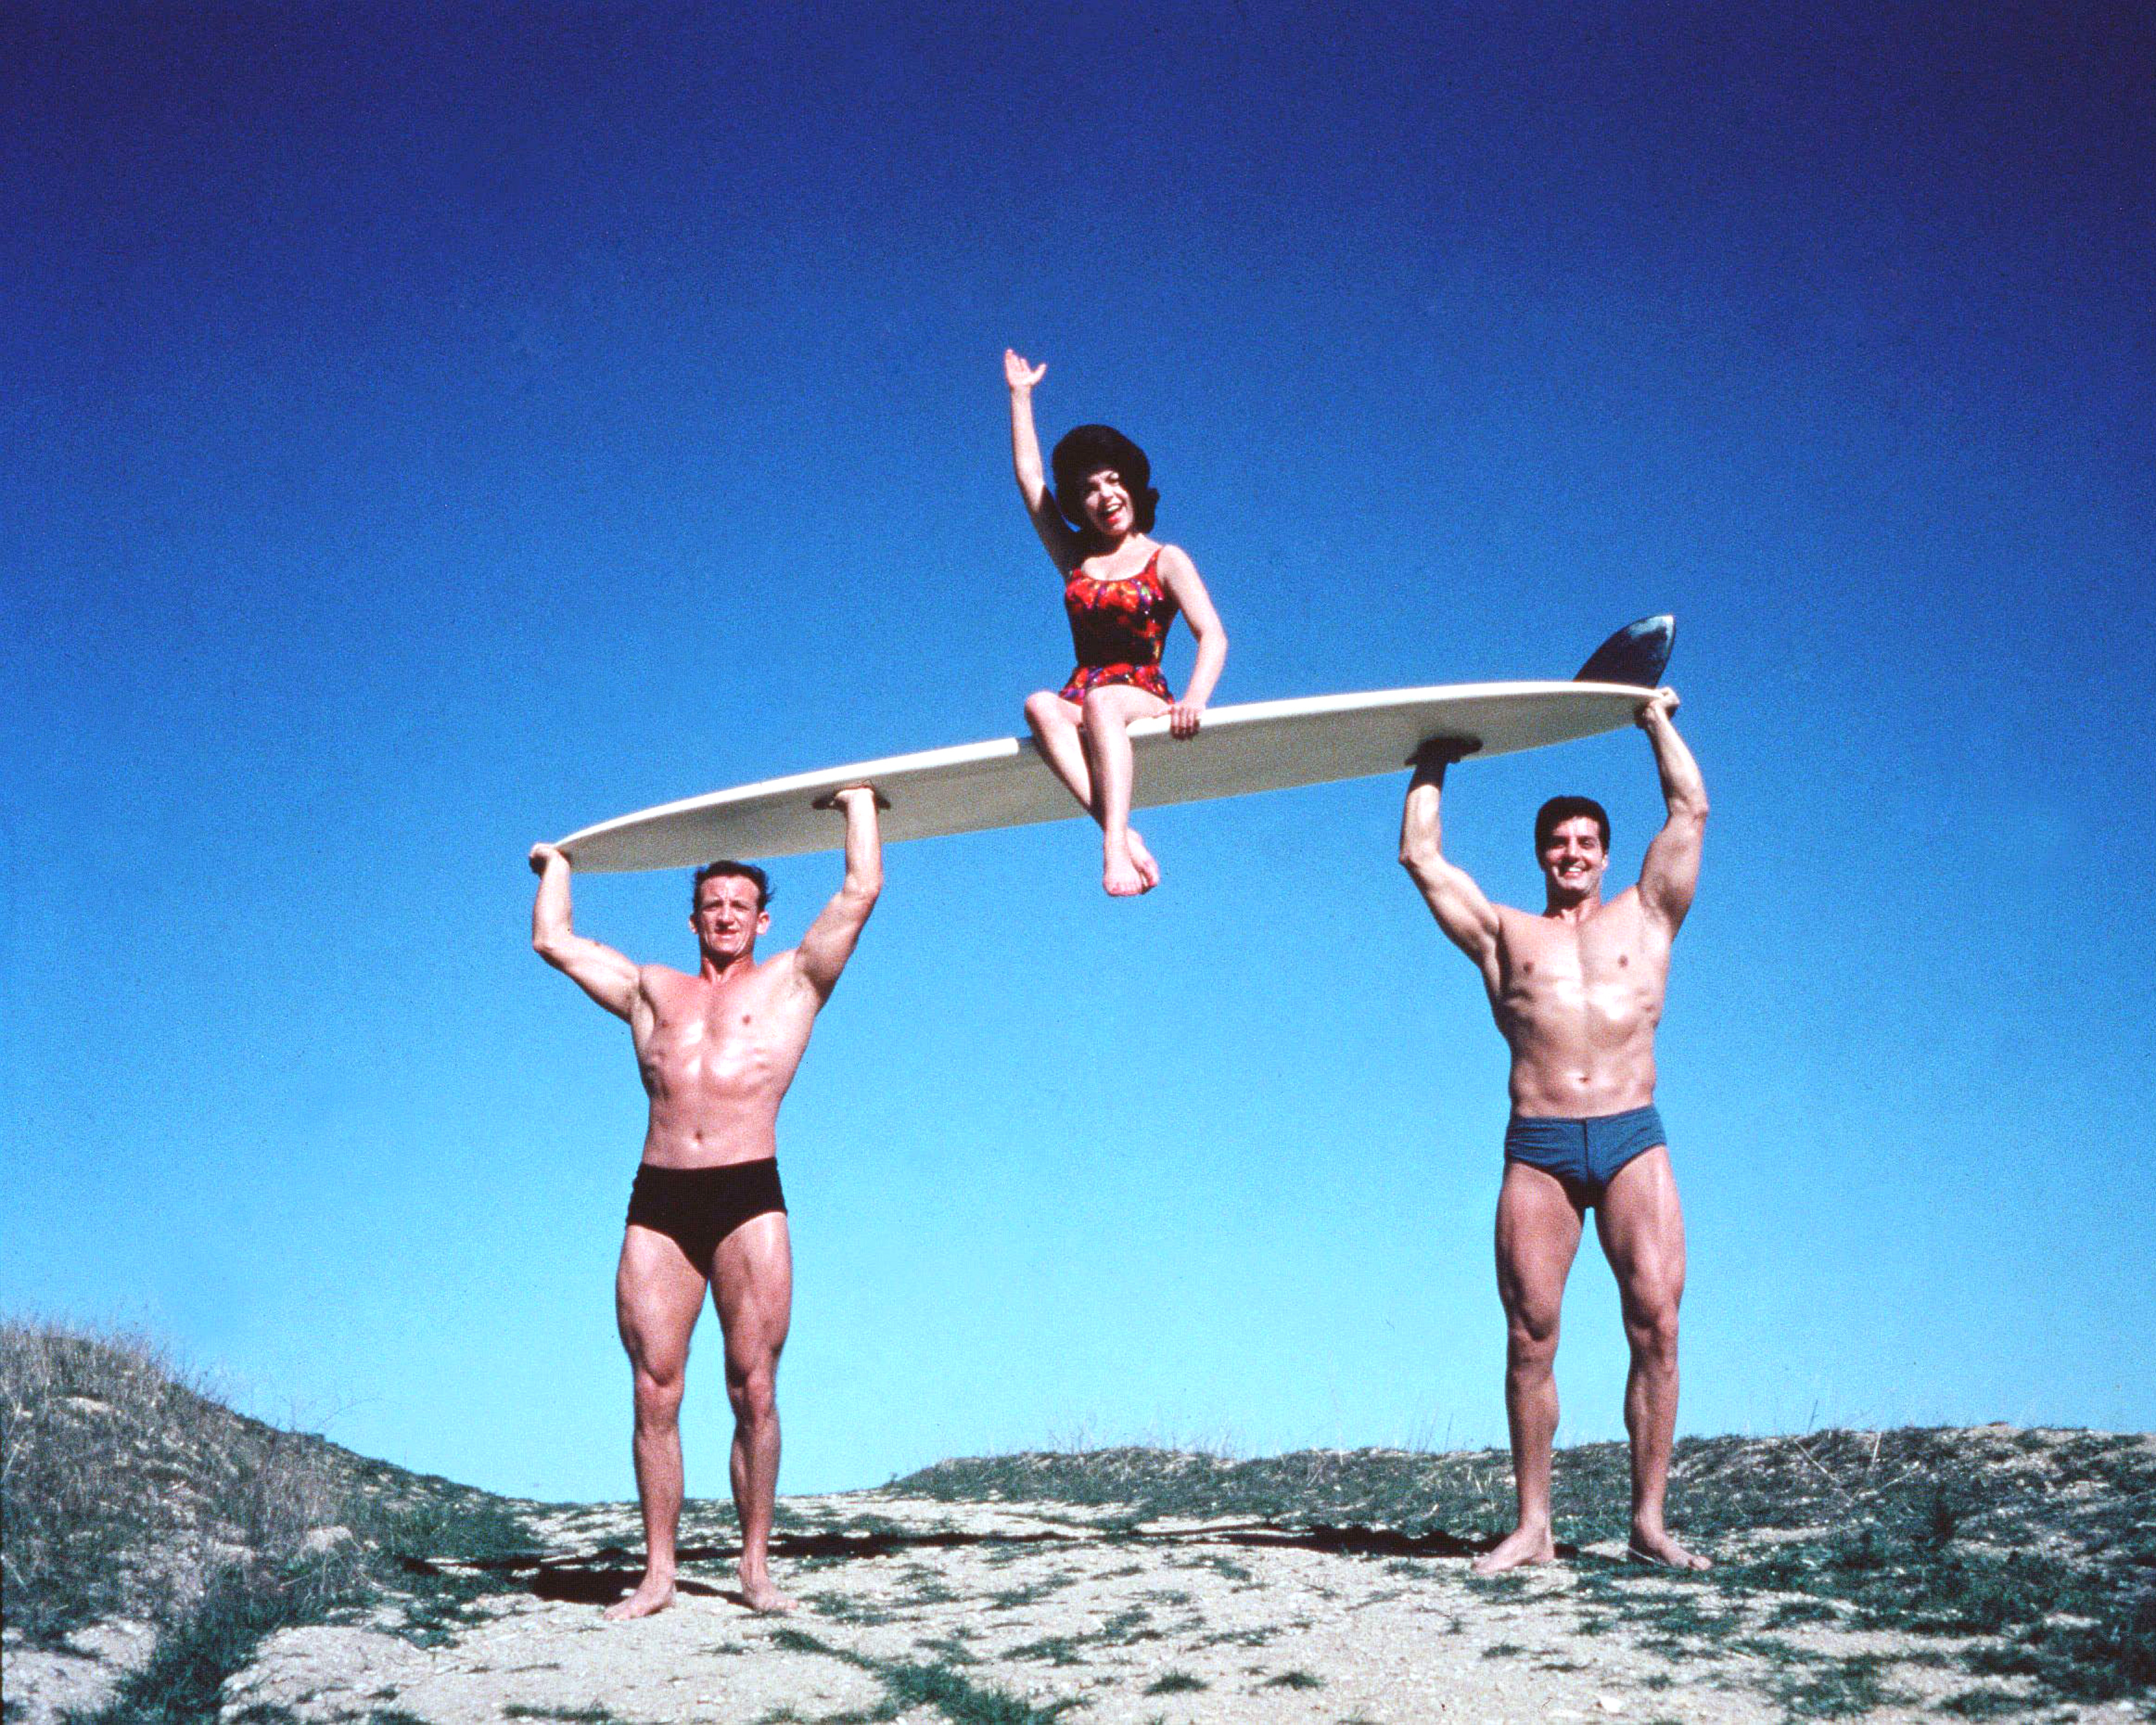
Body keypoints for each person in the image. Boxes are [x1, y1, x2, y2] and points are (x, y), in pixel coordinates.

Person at [526, 786, 883, 1617]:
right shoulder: (651, 991)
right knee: (656, 1388)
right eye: (712, 905)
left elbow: (860, 889)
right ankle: (659, 1574)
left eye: (741, 905)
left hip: (749, 1190)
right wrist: (558, 864)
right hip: (660, 1200)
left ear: (761, 921)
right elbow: (553, 938)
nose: (726, 916)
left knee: (753, 1386)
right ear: (693, 923)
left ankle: (755, 1570)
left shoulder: (796, 981)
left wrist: (860, 804)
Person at [1399, 689, 1710, 1573]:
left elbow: (1690, 808)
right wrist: (1430, 759)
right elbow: (1420, 857)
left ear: (1607, 853)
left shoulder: (1648, 916)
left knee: (1657, 1324)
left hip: (1630, 1139)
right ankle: (1534, 1527)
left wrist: (1654, 720)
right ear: (1541, 854)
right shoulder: (1507, 935)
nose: (1571, 853)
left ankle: (1648, 1522)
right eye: (1557, 842)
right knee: (1530, 1336)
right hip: (1538, 1146)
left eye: (1585, 842)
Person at [1004, 349, 1227, 896]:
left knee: (1105, 702)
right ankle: (1122, 832)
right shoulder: (1076, 558)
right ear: (1080, 504)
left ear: (1130, 484)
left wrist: (1195, 699)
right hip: (1085, 688)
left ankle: (1111, 852)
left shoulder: (1166, 559)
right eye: (1089, 490)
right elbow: (1031, 481)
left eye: (1112, 481)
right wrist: (1020, 396)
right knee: (1038, 703)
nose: (1105, 497)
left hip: (1142, 691)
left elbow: (1213, 635)